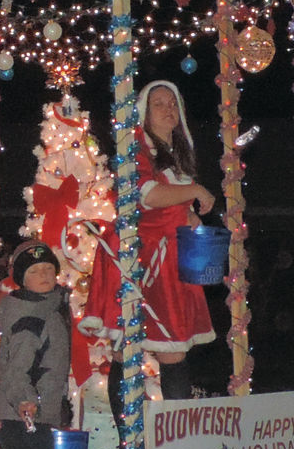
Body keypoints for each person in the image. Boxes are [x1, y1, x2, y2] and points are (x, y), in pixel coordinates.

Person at [81, 79, 217, 412]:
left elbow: (171, 204)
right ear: (144, 111)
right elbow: (148, 195)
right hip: (143, 259)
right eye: (159, 103)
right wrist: (195, 191)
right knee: (131, 348)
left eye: (173, 103)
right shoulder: (137, 147)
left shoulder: (177, 153)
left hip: (171, 257)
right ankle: (134, 440)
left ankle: (173, 440)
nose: (168, 108)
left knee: (171, 349)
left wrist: (190, 217)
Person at [0, 240, 72, 449]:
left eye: (48, 268)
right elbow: (17, 367)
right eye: (35, 271)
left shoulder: (49, 305)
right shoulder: (29, 315)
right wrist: (26, 401)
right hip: (24, 418)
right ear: (22, 279)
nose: (44, 276)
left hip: (37, 413)